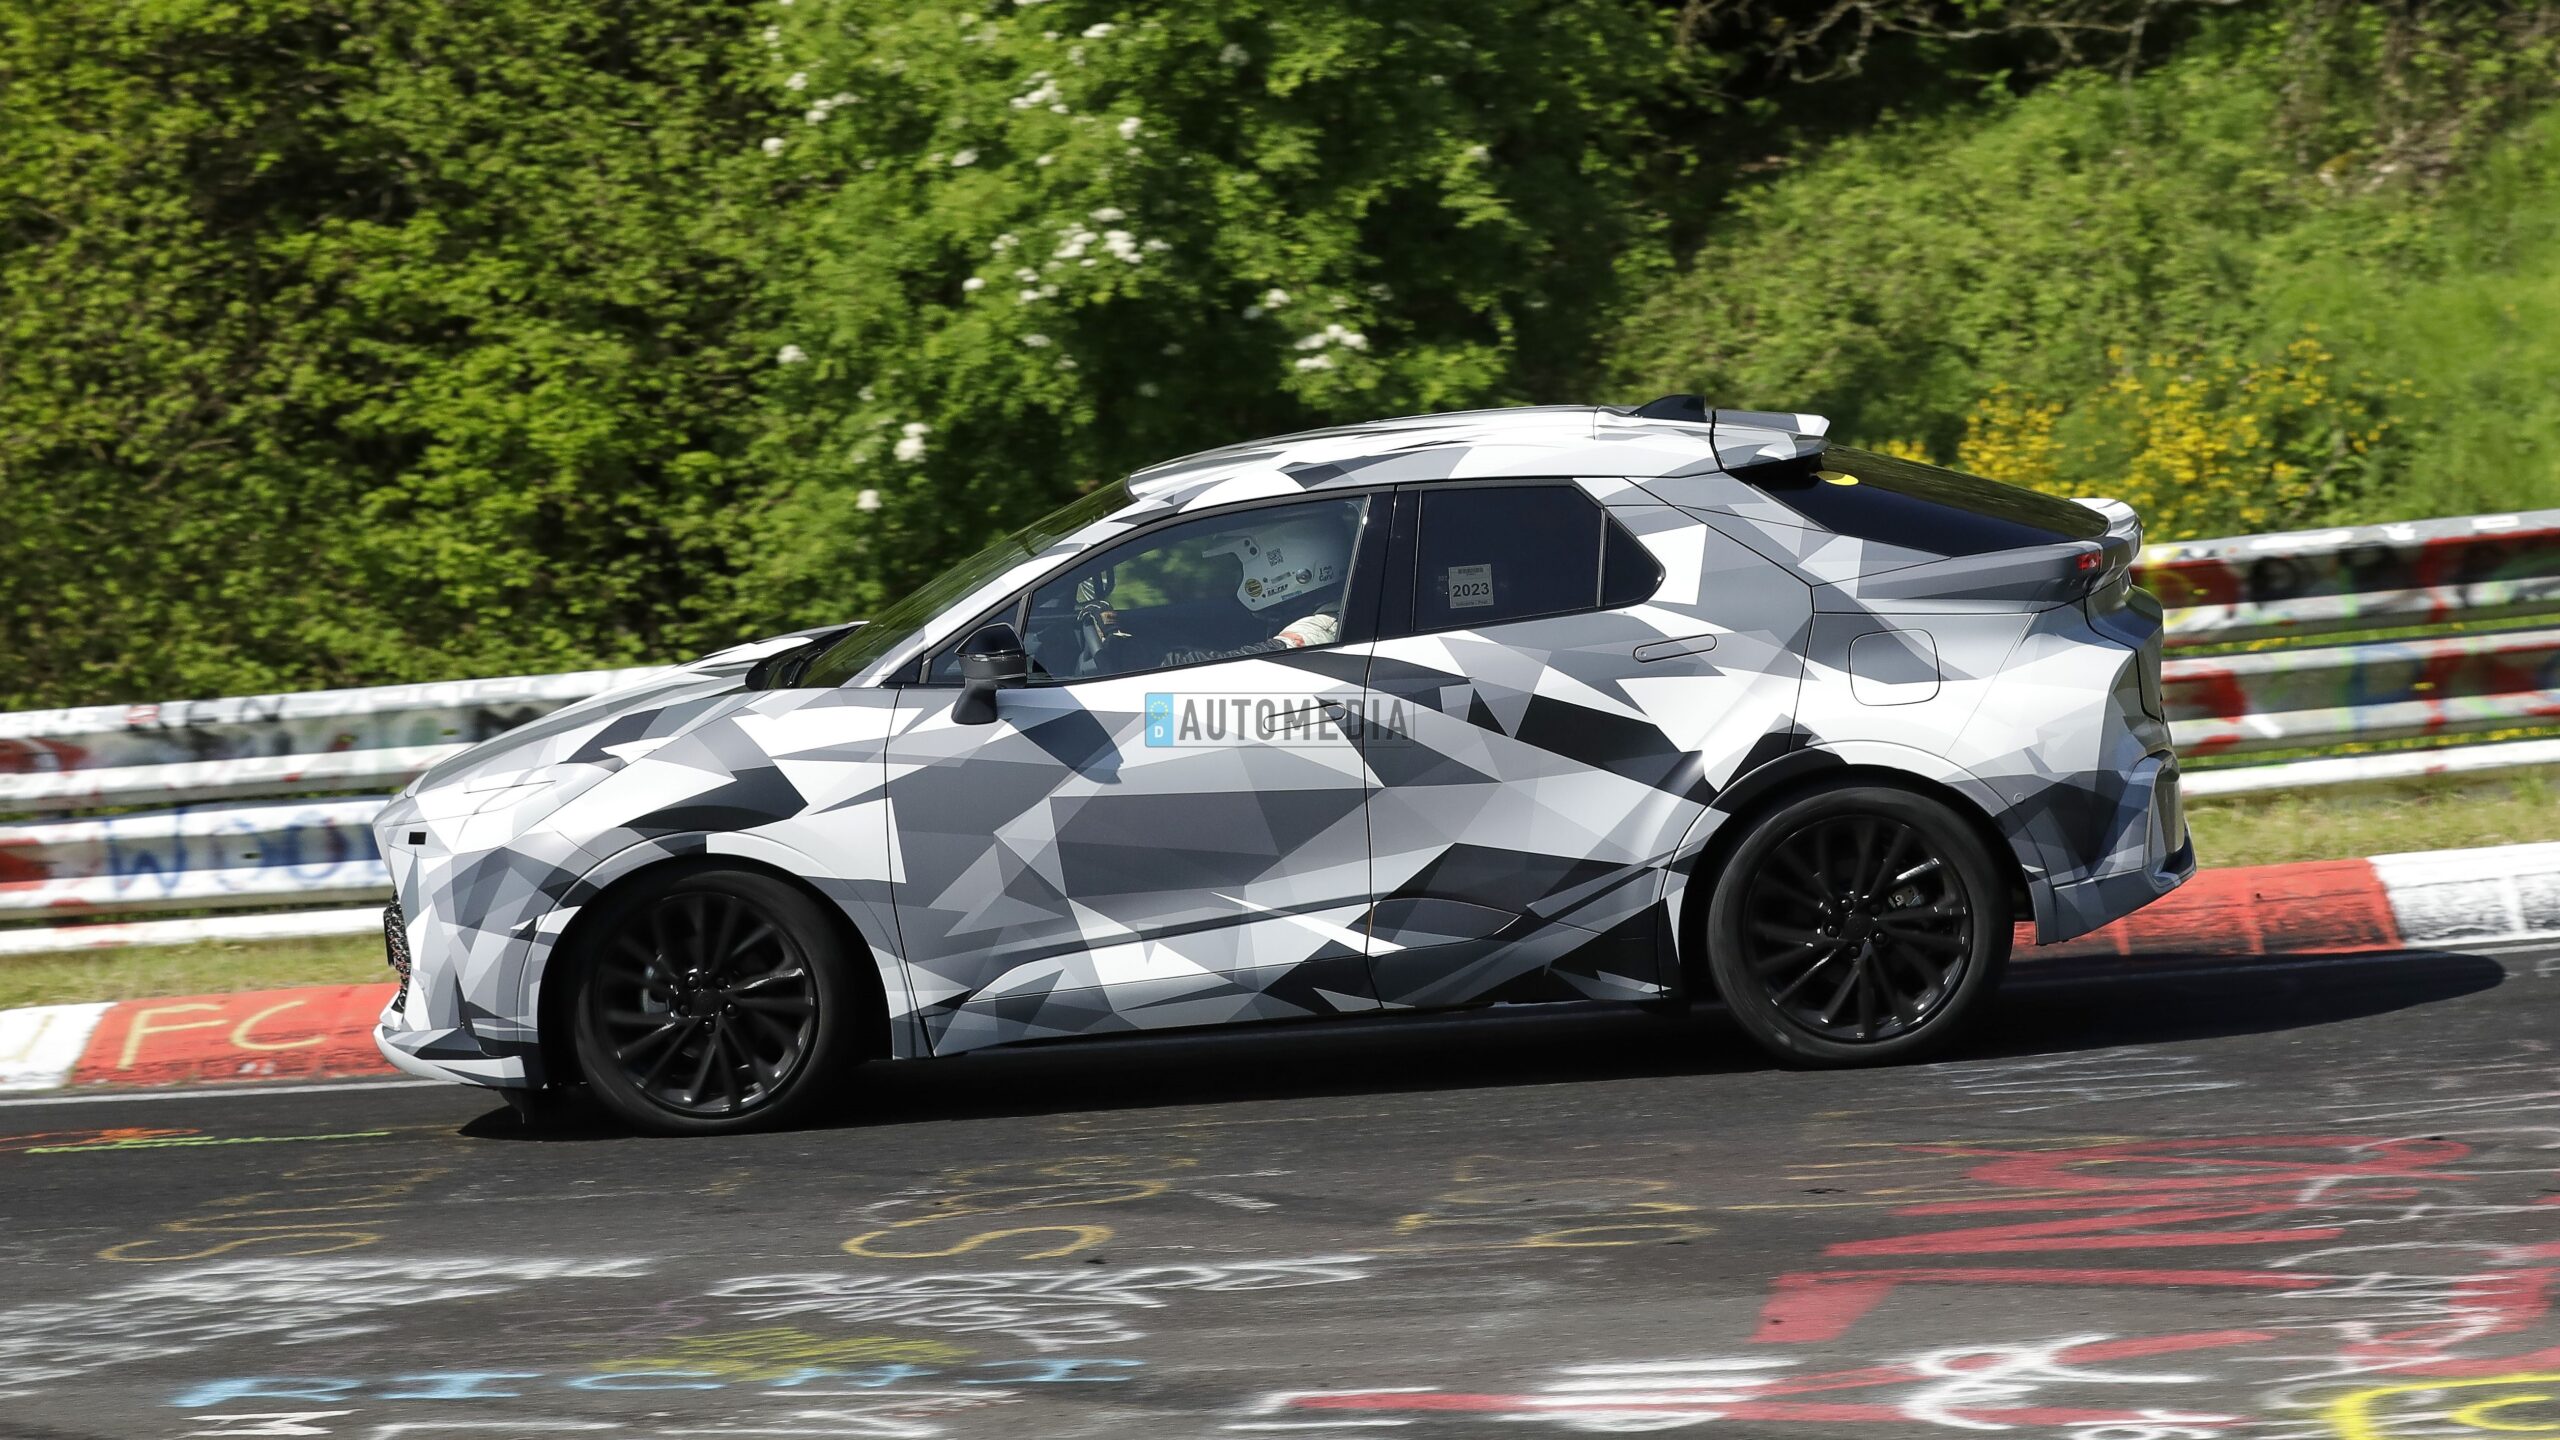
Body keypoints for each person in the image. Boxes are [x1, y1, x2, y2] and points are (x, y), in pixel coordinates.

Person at [1080, 510, 1351, 670]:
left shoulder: (1320, 629)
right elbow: (1214, 619)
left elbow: (1235, 663)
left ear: (1291, 568)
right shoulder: (1295, 610)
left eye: (1243, 567)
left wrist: (1140, 657)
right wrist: (1120, 620)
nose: (1239, 579)